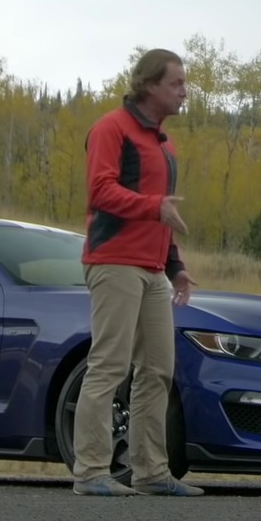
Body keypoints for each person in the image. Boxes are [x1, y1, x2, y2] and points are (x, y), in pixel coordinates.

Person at [70, 47, 204, 497]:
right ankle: (90, 472)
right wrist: (153, 208)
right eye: (177, 83)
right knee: (109, 366)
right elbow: (100, 191)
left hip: (152, 271)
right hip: (114, 264)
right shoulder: (112, 128)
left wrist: (176, 266)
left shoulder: (164, 143)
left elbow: (164, 216)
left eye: (184, 83)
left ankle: (151, 472)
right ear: (149, 85)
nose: (184, 91)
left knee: (158, 370)